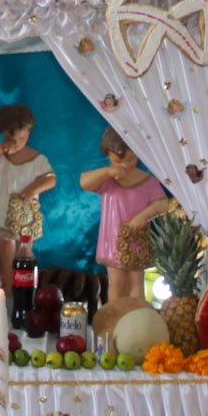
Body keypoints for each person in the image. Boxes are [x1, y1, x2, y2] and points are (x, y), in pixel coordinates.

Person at [79, 127, 169, 309]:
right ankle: (116, 319)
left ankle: (136, 319)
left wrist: (143, 216)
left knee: (136, 283)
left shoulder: (147, 181)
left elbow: (163, 204)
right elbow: (84, 182)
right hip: (113, 242)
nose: (126, 166)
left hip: (137, 240)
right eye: (118, 161)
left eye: (131, 159)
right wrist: (108, 171)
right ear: (109, 158)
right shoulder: (107, 181)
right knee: (116, 283)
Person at [0, 104, 54, 278]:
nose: (16, 143)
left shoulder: (37, 159)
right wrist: (2, 147)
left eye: (21, 137)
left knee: (22, 259)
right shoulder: (0, 159)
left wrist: (32, 189)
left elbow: (50, 179)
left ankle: (16, 289)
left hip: (25, 220)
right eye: (10, 137)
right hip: (2, 220)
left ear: (29, 134)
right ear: (2, 135)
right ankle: (6, 287)